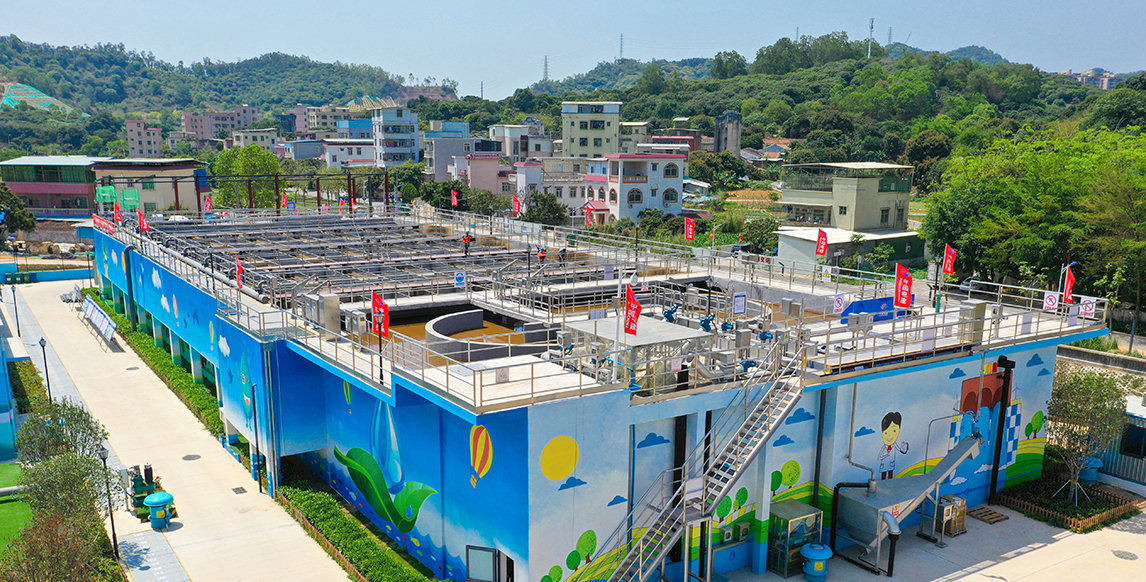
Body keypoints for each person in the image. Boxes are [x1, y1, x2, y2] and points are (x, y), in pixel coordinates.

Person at [878, 411, 909, 480]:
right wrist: (885, 455)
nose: (889, 435)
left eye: (894, 431)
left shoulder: (894, 445)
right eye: (886, 433)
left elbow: (899, 449)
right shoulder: (884, 447)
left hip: (891, 464)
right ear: (882, 434)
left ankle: (890, 482)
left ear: (899, 431)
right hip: (884, 464)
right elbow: (879, 457)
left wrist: (904, 448)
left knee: (890, 474)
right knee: (883, 475)